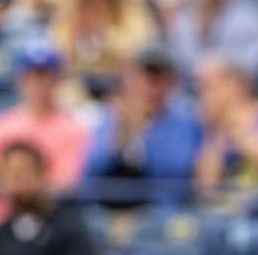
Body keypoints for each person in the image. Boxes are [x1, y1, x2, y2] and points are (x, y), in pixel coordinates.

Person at [0, 40, 89, 223]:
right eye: (31, 75)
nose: (37, 82)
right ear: (20, 78)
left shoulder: (73, 129)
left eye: (45, 75)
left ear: (57, 79)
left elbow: (67, 185)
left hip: (50, 224)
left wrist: (19, 187)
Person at [82, 44, 201, 191]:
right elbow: (90, 173)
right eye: (141, 78)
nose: (148, 87)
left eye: (156, 79)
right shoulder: (110, 119)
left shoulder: (186, 123)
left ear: (171, 82)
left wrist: (142, 136)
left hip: (165, 208)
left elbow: (178, 169)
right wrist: (122, 136)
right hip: (109, 210)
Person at [50, 0, 156, 93]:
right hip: (78, 82)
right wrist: (75, 35)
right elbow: (58, 52)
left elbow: (141, 52)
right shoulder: (70, 11)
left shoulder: (132, 8)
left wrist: (105, 36)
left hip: (120, 83)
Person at [193, 58, 258, 190]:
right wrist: (214, 132)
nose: (203, 95)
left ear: (237, 84)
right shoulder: (213, 127)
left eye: (208, 86)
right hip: (230, 206)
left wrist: (237, 129)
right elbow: (206, 187)